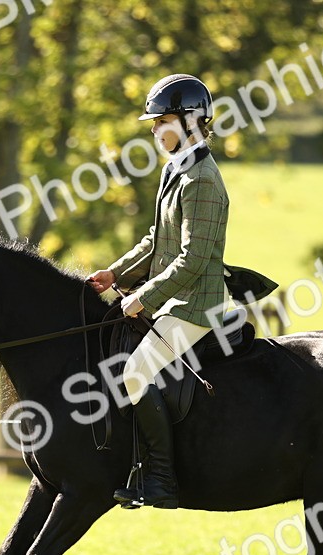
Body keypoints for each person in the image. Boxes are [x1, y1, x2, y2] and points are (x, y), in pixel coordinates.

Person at [87, 73, 230, 510]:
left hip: (195, 305)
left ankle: (162, 480)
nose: (154, 130)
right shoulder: (175, 169)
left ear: (190, 121)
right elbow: (156, 240)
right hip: (172, 298)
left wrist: (144, 297)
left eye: (161, 121)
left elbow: (193, 259)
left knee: (134, 373)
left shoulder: (202, 180)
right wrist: (115, 272)